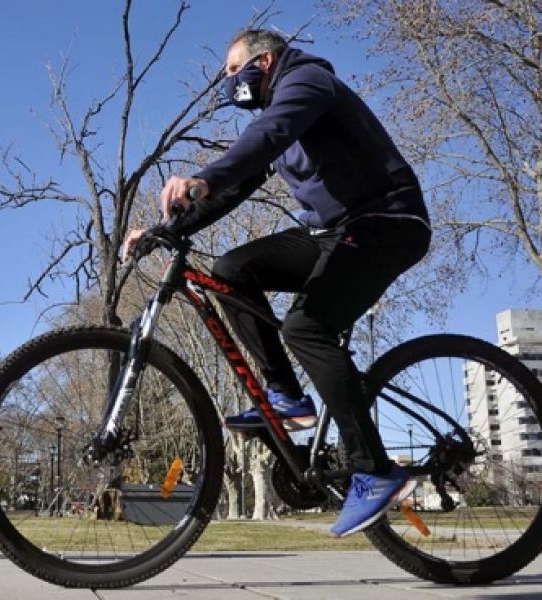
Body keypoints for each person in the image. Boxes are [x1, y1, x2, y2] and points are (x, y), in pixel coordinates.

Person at [122, 29, 432, 537]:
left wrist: (203, 175)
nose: (227, 84)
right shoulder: (277, 116)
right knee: (231, 270)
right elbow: (238, 183)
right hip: (335, 232)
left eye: (231, 71)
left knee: (306, 328)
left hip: (386, 222)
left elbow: (273, 132)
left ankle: (374, 470)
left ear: (263, 61)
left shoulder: (308, 81)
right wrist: (166, 229)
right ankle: (287, 397)